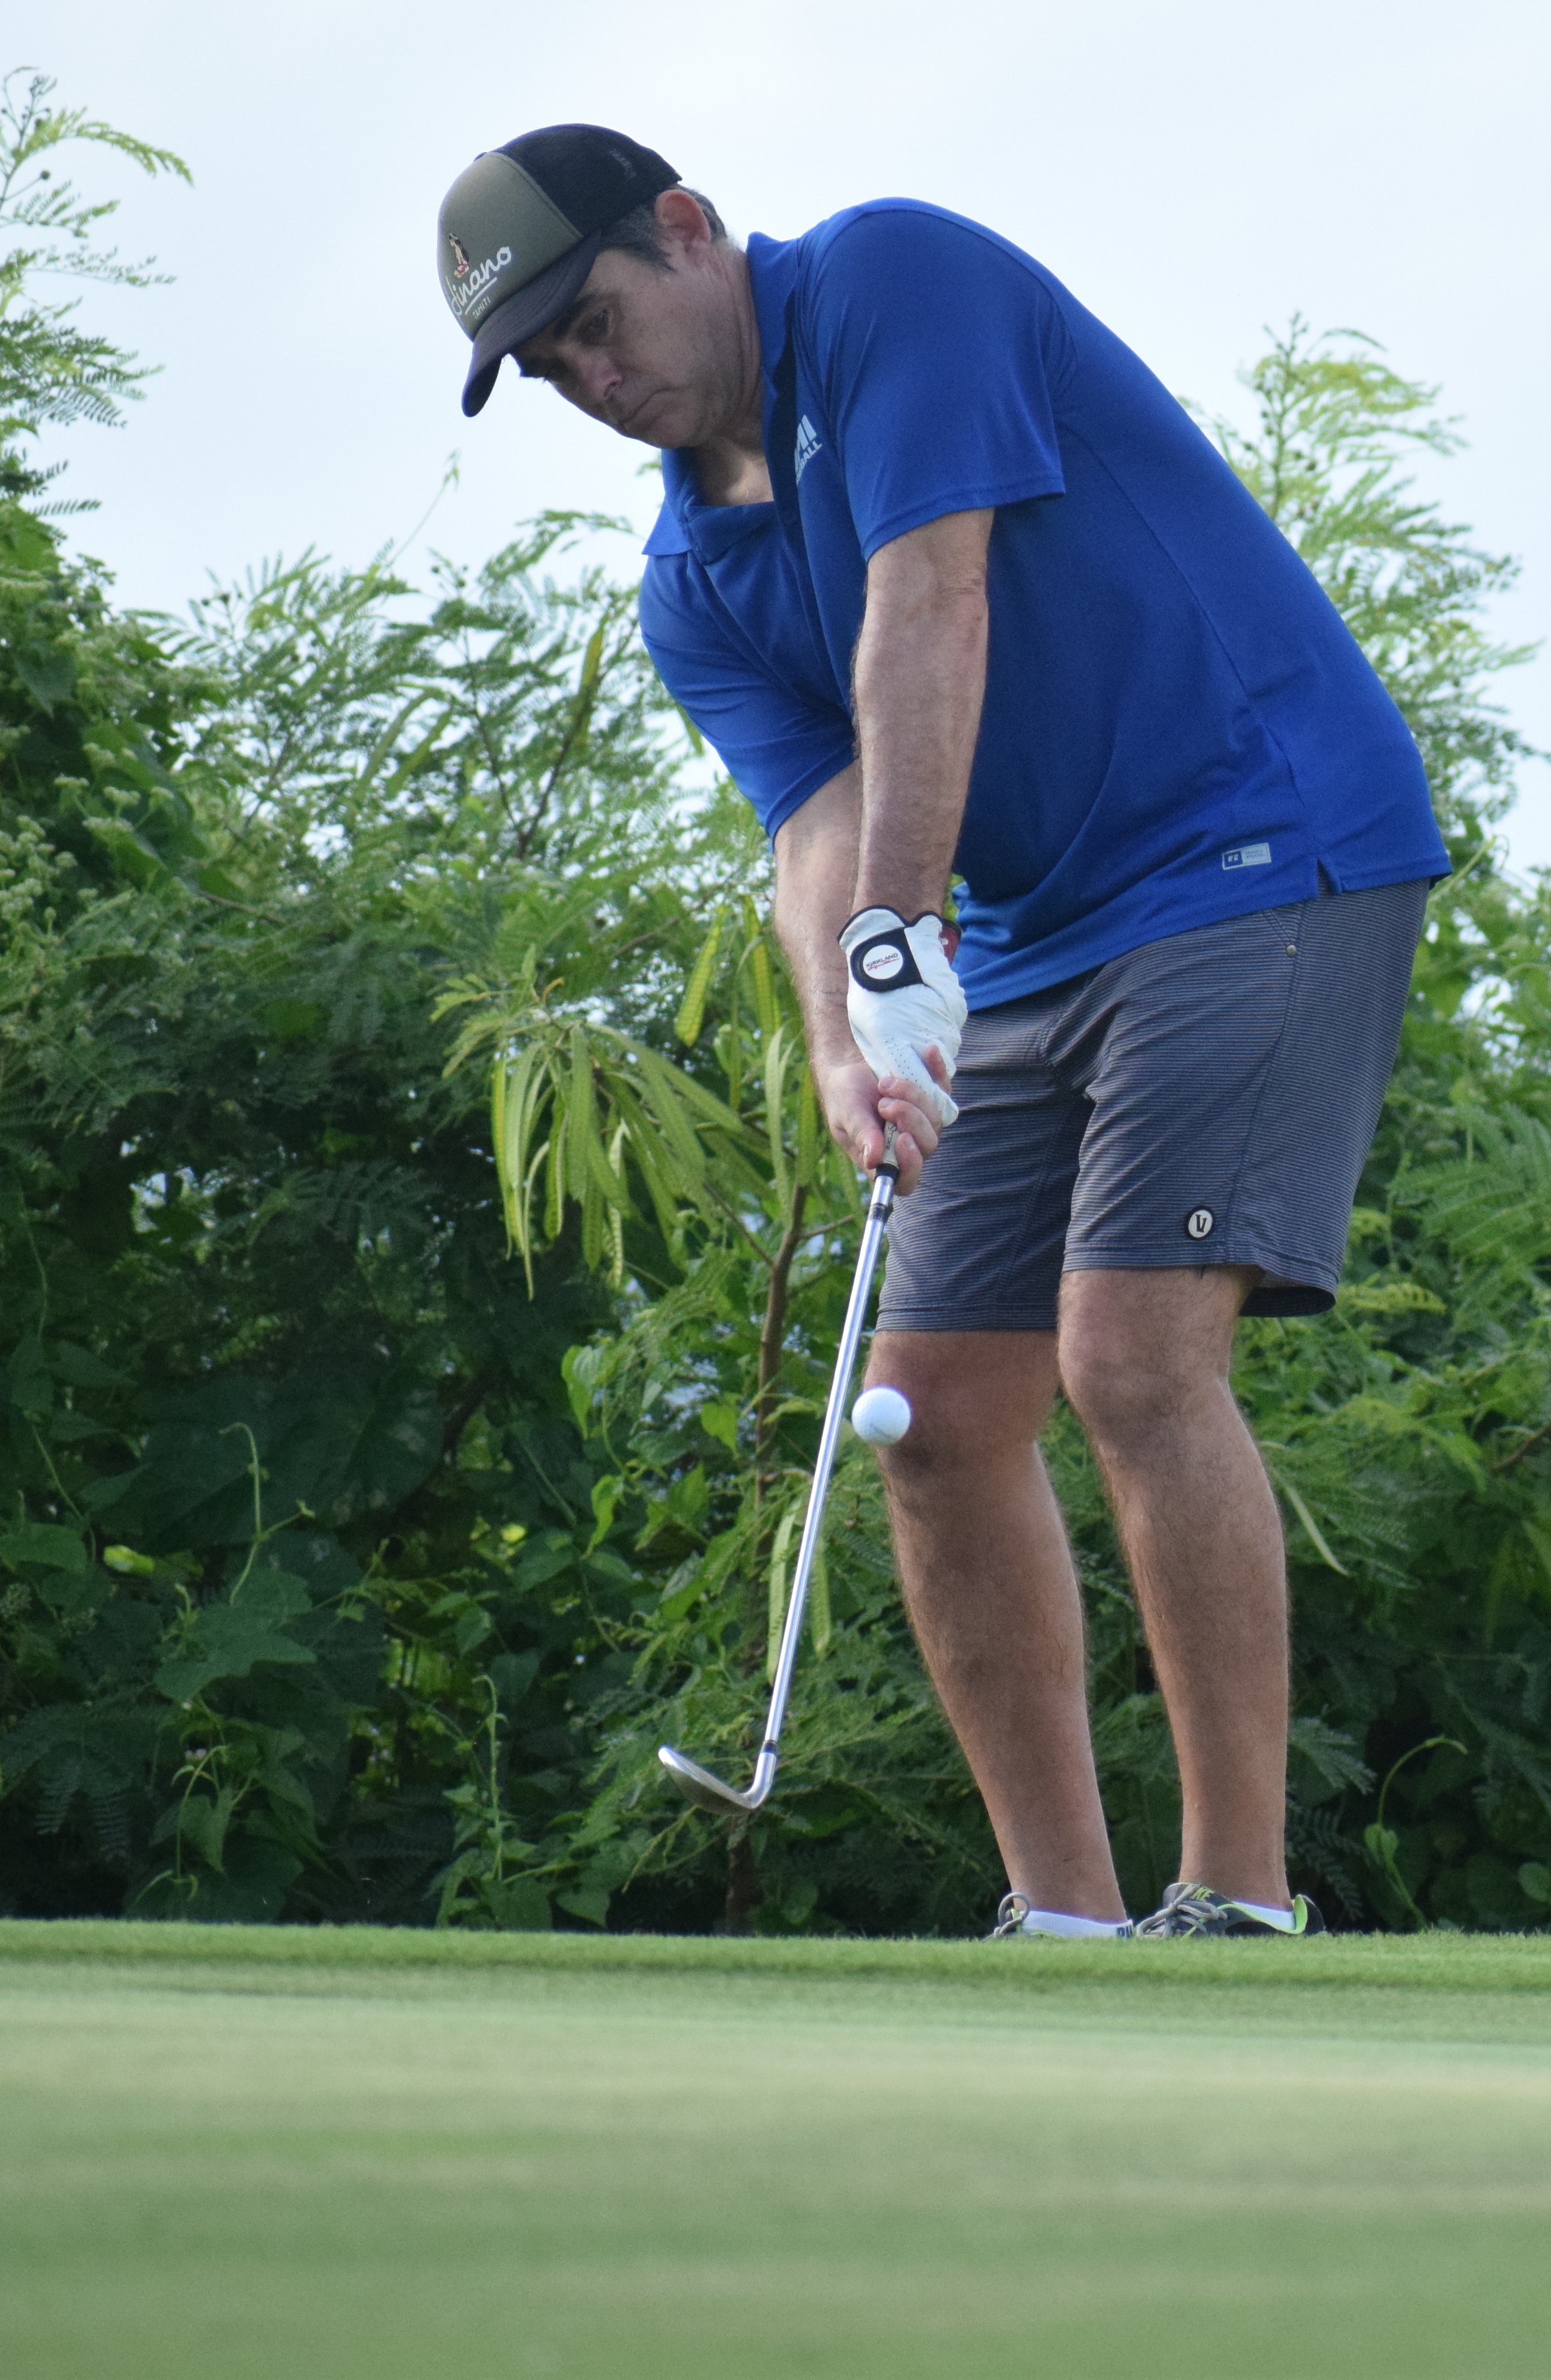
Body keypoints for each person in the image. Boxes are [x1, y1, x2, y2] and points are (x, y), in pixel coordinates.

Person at [433, 124, 1448, 1937]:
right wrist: (846, 1037)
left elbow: (932, 597)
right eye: (548, 366)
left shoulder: (898, 281)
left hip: (1266, 840)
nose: (593, 379)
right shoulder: (695, 584)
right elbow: (815, 832)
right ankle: (1064, 1922)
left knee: (1133, 1361)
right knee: (935, 1418)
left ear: (687, 229)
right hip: (1045, 936)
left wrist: (906, 934)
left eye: (595, 320)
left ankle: (1238, 1903)